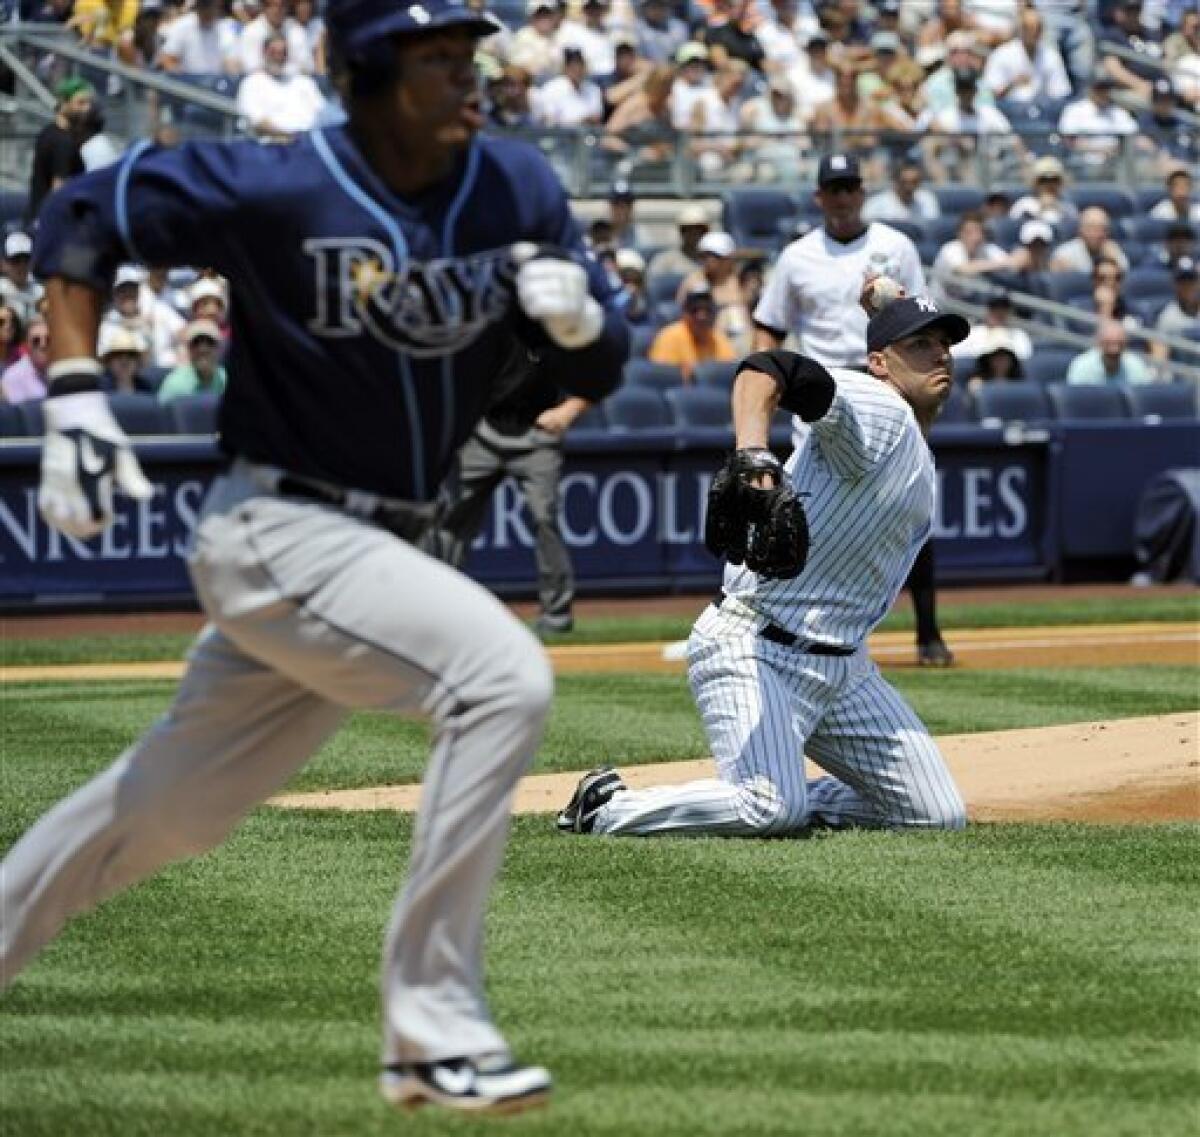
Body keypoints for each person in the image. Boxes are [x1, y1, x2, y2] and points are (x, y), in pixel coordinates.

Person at [2, 0, 627, 1118]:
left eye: (468, 55)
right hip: (277, 527)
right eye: (437, 62)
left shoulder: (517, 188)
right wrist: (79, 389)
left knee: (171, 811)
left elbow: (601, 354)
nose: (468, 79)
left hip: (384, 543)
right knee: (502, 679)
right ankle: (430, 1030)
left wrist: (583, 328)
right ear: (368, 77)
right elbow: (82, 215)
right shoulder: (281, 183)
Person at [556, 293, 971, 838]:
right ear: (879, 363)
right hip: (757, 647)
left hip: (845, 672)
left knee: (937, 815)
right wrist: (753, 453)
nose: (939, 355)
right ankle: (604, 807)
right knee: (767, 808)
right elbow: (768, 367)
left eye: (944, 344)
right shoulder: (880, 408)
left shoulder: (913, 442)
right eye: (920, 345)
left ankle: (803, 796)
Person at [751, 152, 953, 666]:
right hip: (823, 393)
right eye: (833, 189)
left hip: (889, 383)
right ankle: (785, 627)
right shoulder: (797, 257)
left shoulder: (895, 245)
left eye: (850, 187)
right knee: (811, 512)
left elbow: (922, 321)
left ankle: (927, 632)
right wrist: (771, 390)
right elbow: (769, 328)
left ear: (862, 192)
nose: (842, 197)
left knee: (908, 506)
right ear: (820, 197)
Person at [438, 341, 589, 637]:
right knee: (451, 518)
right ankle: (436, 608)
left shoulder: (556, 323)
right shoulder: (490, 317)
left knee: (544, 518)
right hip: (484, 430)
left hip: (538, 432)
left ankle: (556, 615)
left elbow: (602, 368)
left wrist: (570, 409)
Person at [236, 31, 329, 139]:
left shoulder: (304, 81)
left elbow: (323, 113)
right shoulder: (251, 83)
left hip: (311, 141)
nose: (278, 57)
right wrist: (290, 137)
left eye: (283, 52)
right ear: (264, 52)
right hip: (274, 145)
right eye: (273, 52)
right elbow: (257, 122)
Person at [26, 77, 94, 225]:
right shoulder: (63, 143)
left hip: (37, 215)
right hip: (51, 222)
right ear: (64, 103)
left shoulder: (47, 132)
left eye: (88, 103)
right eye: (80, 103)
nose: (87, 109)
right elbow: (59, 190)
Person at [648, 287, 737, 380]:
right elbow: (662, 378)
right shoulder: (669, 337)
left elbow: (730, 373)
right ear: (684, 313)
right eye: (695, 310)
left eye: (707, 310)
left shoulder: (719, 338)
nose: (702, 316)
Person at [156, 318, 229, 402]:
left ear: (219, 349)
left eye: (210, 343)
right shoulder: (175, 385)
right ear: (188, 349)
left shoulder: (225, 379)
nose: (203, 349)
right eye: (196, 343)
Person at [1066, 319, 1155, 385]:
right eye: (1109, 343)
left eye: (1119, 344)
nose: (1114, 349)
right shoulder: (1082, 366)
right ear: (1099, 343)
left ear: (1125, 345)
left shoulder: (1136, 366)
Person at [0, 314, 49, 404]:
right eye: (36, 340)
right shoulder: (13, 378)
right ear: (26, 344)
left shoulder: (61, 370)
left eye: (48, 339)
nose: (43, 344)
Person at [0, 231, 45, 323]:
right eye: (16, 260)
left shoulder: (41, 292)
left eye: (26, 260)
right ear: (3, 264)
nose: (22, 266)